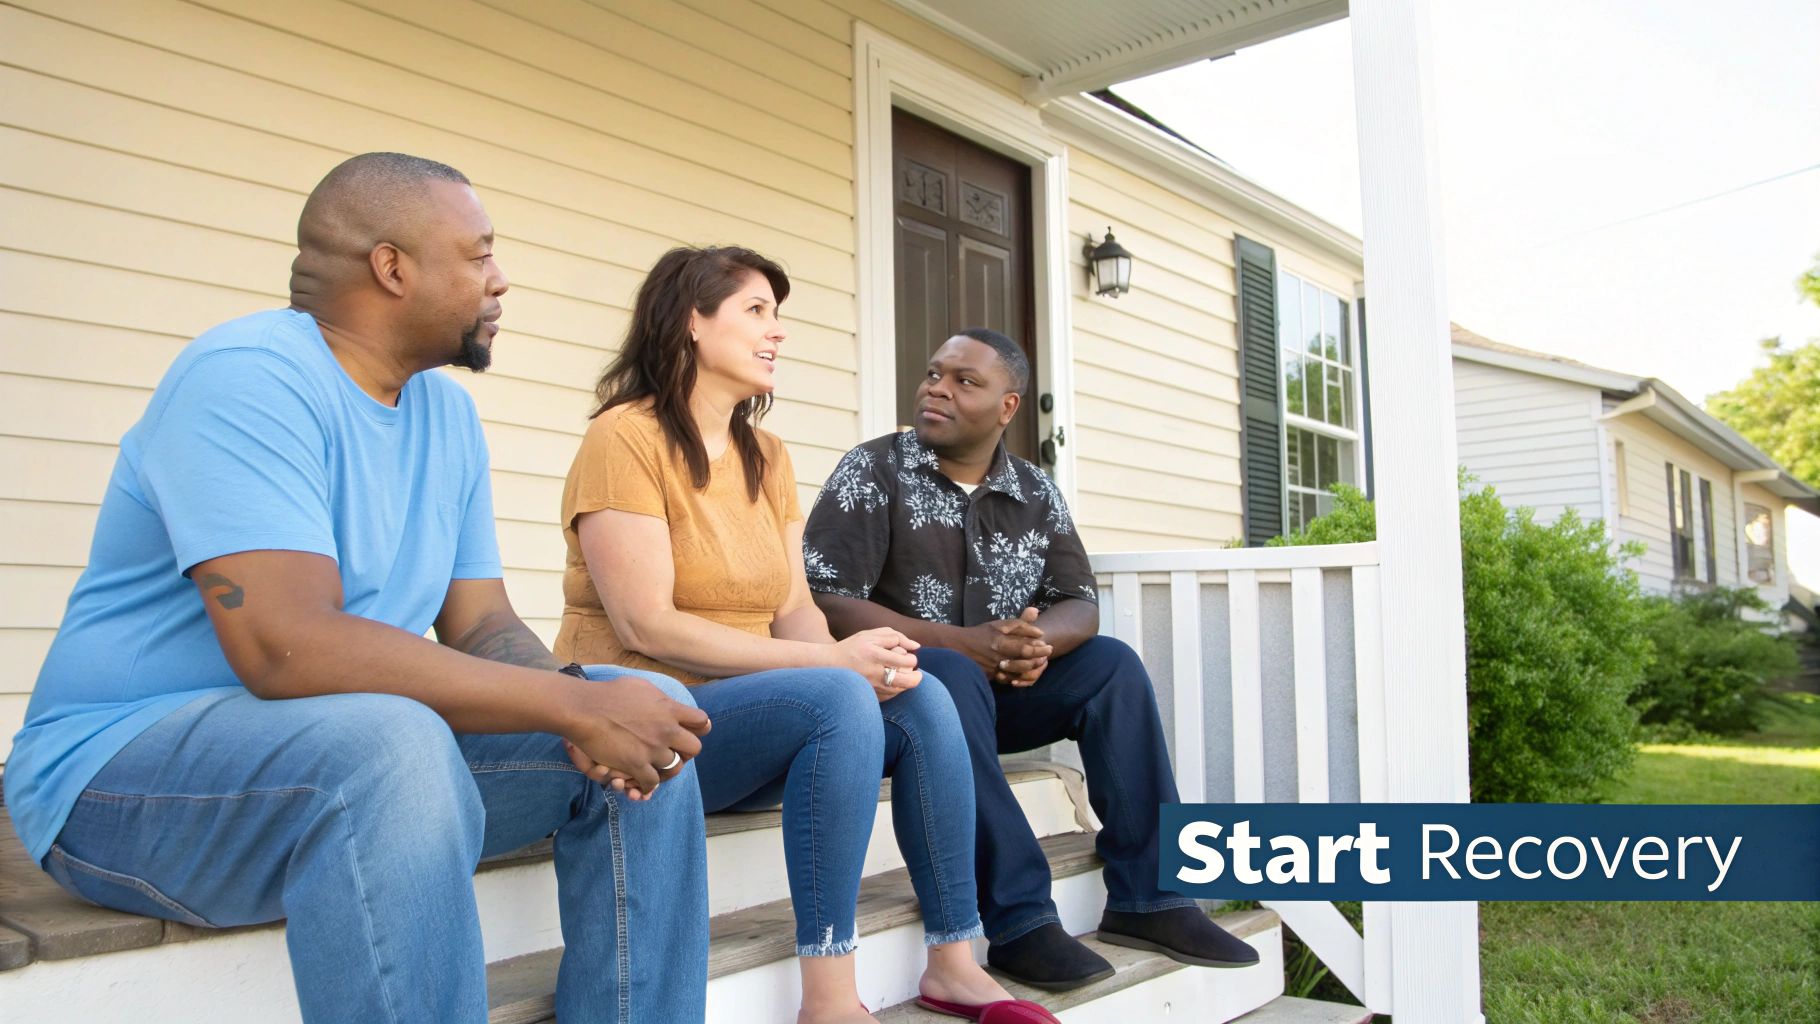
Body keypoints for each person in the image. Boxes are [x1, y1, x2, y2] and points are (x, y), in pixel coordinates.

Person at [3, 153, 713, 1024]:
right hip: (118, 787)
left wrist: (584, 703)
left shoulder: (444, 414)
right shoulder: (246, 377)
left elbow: (483, 622)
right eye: (479, 255)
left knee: (648, 711)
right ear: (392, 268)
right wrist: (570, 711)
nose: (500, 280)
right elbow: (283, 645)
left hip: (340, 763)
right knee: (392, 743)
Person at [554, 247, 1057, 1024]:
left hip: (740, 718)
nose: (777, 332)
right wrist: (831, 662)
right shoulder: (626, 438)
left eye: (777, 316)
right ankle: (830, 995)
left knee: (918, 698)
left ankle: (956, 960)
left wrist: (866, 661)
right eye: (756, 311)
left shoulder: (766, 456)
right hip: (641, 730)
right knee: (835, 693)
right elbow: (645, 622)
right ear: (691, 320)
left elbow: (794, 608)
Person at [802, 329, 1262, 991]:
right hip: (894, 701)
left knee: (1112, 665)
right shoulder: (874, 469)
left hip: (1000, 691)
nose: (939, 387)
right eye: (935, 373)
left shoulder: (1034, 491)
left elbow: (1079, 602)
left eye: (965, 380)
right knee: (951, 673)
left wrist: (1035, 645)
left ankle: (1151, 899)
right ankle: (1020, 921)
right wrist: (967, 646)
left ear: (1008, 406)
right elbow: (832, 601)